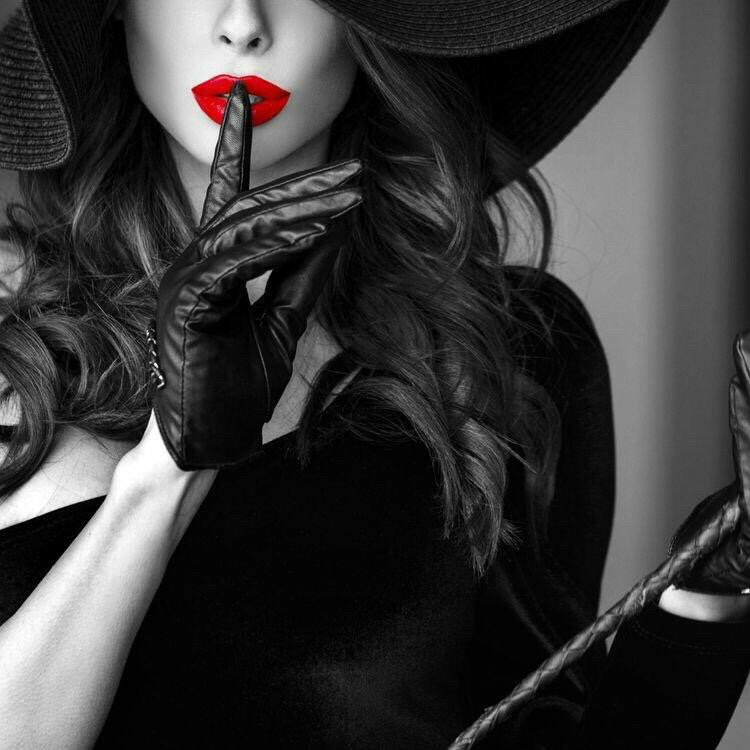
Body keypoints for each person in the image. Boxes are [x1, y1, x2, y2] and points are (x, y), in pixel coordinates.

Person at [0, 0, 749, 747]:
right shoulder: (14, 341)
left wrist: (705, 599)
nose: (243, 23)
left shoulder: (504, 356)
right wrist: (165, 476)